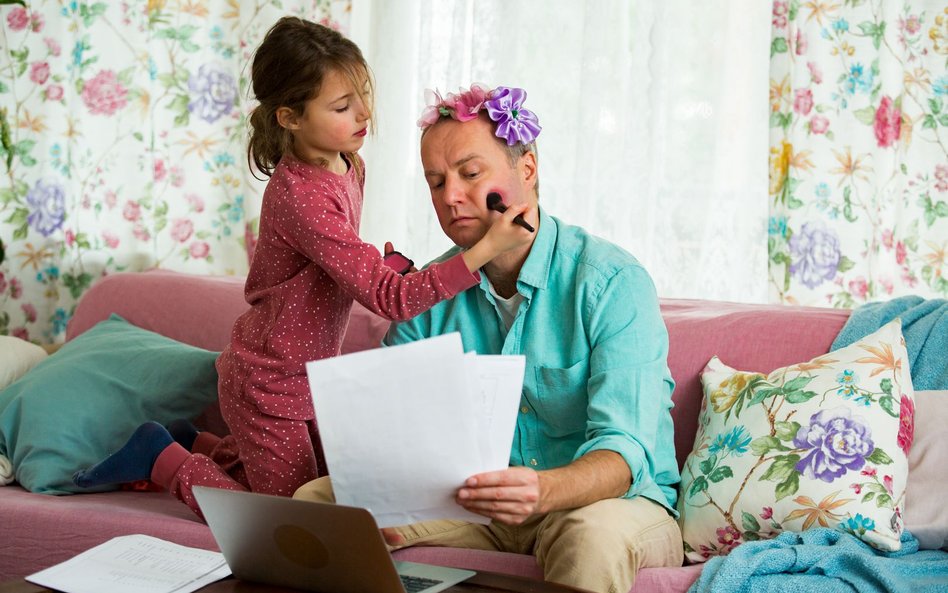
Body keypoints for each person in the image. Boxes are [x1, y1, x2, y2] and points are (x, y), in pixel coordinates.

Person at [72, 21, 534, 518]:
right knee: (291, 520)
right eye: (342, 107)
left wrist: (377, 263)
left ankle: (202, 445)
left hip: (310, 380)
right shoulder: (300, 195)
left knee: (319, 491)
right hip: (269, 383)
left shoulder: (348, 163)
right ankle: (161, 457)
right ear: (289, 117)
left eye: (362, 95)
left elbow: (331, 260)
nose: (363, 114)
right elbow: (391, 300)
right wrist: (487, 248)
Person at [293, 84, 684, 593]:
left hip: (611, 504)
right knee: (321, 505)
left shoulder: (611, 282)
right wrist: (381, 486)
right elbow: (394, 427)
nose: (451, 196)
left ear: (527, 169)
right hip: (476, 503)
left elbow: (623, 450)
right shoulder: (426, 293)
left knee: (591, 537)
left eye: (470, 174)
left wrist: (543, 490)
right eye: (435, 182)